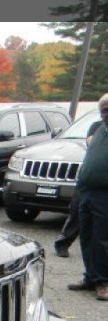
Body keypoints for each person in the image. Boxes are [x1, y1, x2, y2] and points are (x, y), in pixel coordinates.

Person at [68, 94, 108, 301]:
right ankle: (90, 277)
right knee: (87, 237)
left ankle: (103, 282)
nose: (106, 114)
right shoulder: (100, 129)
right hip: (87, 193)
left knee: (103, 240)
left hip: (105, 195)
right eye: (104, 110)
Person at [54, 119, 102, 257]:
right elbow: (90, 142)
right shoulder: (97, 125)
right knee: (78, 210)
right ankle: (62, 242)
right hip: (90, 177)